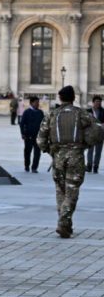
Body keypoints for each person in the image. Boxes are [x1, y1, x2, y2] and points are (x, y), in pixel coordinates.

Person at [37, 86, 95, 239]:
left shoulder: (52, 115)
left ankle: (64, 223)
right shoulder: (82, 114)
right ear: (73, 98)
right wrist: (86, 145)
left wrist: (51, 151)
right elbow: (96, 132)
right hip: (76, 156)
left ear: (60, 98)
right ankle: (64, 222)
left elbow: (40, 139)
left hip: (58, 157)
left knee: (61, 191)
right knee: (72, 191)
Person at [20, 96, 44, 173]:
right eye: (36, 102)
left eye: (38, 102)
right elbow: (22, 123)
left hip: (38, 136)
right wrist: (23, 133)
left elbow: (43, 124)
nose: (37, 104)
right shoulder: (27, 112)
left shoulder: (40, 112)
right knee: (27, 151)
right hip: (28, 135)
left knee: (37, 153)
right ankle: (27, 165)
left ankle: (34, 167)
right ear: (31, 103)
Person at [86, 95, 104, 173]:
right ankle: (89, 165)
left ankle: (96, 166)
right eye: (97, 102)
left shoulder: (103, 111)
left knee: (98, 152)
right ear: (93, 102)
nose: (98, 103)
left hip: (100, 134)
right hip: (91, 134)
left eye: (100, 102)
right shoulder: (88, 111)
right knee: (90, 151)